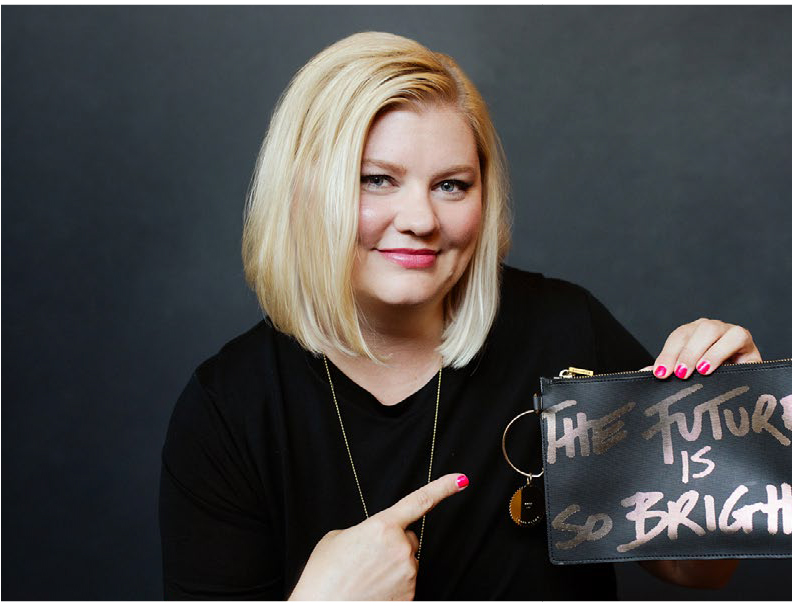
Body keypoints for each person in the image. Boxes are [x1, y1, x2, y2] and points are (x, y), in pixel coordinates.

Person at [159, 31, 760, 600]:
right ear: (303, 190)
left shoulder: (565, 330)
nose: (421, 219)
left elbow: (696, 567)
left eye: (451, 185)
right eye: (377, 180)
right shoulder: (229, 408)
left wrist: (731, 423)